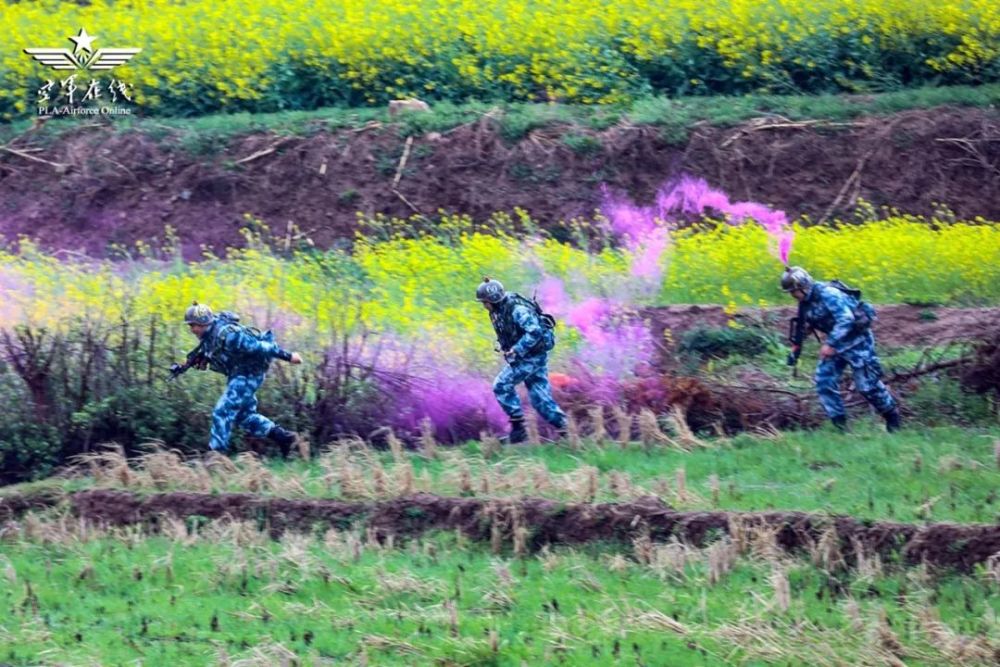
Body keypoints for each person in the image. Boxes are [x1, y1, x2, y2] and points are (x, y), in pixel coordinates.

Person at [781, 267, 902, 432]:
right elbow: (808, 322)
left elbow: (846, 319)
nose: (793, 295)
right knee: (824, 382)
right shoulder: (805, 303)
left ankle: (892, 419)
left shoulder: (829, 294)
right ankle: (841, 429)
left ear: (804, 286)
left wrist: (830, 344)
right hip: (837, 346)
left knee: (867, 387)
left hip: (857, 342)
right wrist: (797, 346)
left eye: (794, 291)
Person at [182, 302, 303, 456]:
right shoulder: (208, 338)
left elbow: (261, 347)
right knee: (243, 416)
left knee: (222, 411)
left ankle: (216, 457)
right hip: (238, 373)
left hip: (249, 372)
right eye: (190, 326)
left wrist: (289, 356)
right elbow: (217, 355)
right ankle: (285, 438)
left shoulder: (228, 335)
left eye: (194, 325)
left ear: (205, 322)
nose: (192, 329)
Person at [476, 277, 568, 443]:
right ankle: (567, 431)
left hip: (532, 356)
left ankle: (519, 430)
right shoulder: (500, 309)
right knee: (540, 400)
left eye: (485, 302)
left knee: (501, 385)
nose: (484, 306)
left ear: (494, 300)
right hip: (531, 355)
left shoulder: (517, 309)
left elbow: (535, 332)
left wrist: (516, 350)